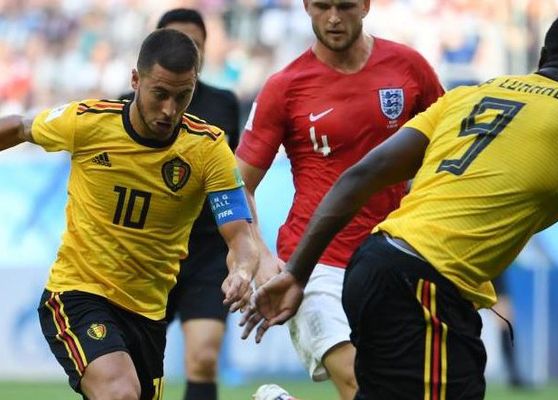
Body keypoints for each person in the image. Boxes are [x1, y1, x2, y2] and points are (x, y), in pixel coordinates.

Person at [242, 9, 558, 399]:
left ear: (543, 56)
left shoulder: (471, 95)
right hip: (422, 280)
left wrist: (296, 272)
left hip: (380, 260)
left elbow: (361, 175)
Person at [0, 29, 257, 400]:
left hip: (148, 313)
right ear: (135, 80)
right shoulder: (88, 122)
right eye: (160, 94)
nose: (170, 109)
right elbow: (22, 127)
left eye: (182, 96)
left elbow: (239, 235)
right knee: (121, 392)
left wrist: (243, 269)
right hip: (78, 292)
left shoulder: (208, 148)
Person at [236, 1, 443, 399]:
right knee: (356, 383)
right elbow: (237, 184)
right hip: (314, 263)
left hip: (392, 259)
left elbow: (449, 145)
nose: (333, 17)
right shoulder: (286, 86)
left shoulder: (409, 67)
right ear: (306, 7)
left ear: (365, 6)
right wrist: (258, 254)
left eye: (345, 5)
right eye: (322, 6)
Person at [120, 9, 240, 400]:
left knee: (203, 358)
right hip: (146, 252)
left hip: (205, 252)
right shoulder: (121, 109)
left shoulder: (223, 104)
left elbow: (233, 183)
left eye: (195, 46)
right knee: (132, 372)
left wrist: (245, 247)